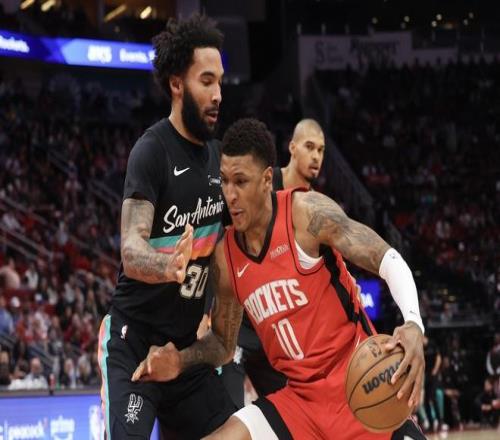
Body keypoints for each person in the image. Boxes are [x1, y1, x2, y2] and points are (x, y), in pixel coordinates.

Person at [132, 118, 426, 439]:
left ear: (266, 179)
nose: (230, 194)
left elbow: (386, 258)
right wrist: (180, 360)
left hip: (360, 383)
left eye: (240, 182)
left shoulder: (305, 214)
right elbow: (222, 344)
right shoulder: (225, 258)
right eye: (224, 181)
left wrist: (413, 323)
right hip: (298, 403)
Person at [97, 14, 236, 439]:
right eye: (206, 81)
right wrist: (168, 266)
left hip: (183, 353)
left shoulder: (220, 161)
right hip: (133, 345)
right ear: (177, 84)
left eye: (220, 82)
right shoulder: (152, 151)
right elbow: (131, 249)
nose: (217, 94)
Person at [221, 119, 326, 406]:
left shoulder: (314, 207)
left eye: (321, 150)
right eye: (309, 147)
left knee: (298, 414)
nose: (316, 156)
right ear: (292, 148)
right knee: (229, 412)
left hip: (275, 331)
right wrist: (208, 312)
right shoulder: (260, 184)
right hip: (240, 322)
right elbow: (221, 245)